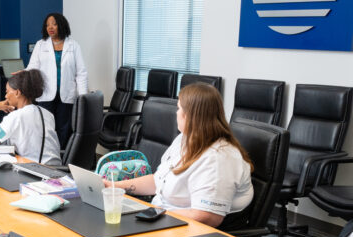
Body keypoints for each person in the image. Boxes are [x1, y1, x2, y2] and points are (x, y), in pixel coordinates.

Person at [107, 83, 253, 228]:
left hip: (187, 231)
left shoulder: (218, 159)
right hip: (162, 218)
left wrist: (158, 215)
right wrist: (113, 187)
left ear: (190, 115)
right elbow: (158, 182)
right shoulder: (185, 138)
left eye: (179, 108)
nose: (176, 113)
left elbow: (207, 217)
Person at [25, 12, 88, 146]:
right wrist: (23, 73)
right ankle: (47, 157)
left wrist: (83, 97)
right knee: (45, 128)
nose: (50, 27)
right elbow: (33, 67)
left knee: (64, 129)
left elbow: (81, 73)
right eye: (47, 25)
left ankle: (62, 159)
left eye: (54, 24)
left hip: (66, 95)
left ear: (61, 25)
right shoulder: (41, 45)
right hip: (46, 94)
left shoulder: (73, 45)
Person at [0, 69, 61, 165]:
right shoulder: (47, 114)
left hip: (38, 170)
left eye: (7, 91)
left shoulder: (16, 116)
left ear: (17, 93)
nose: (6, 96)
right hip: (56, 169)